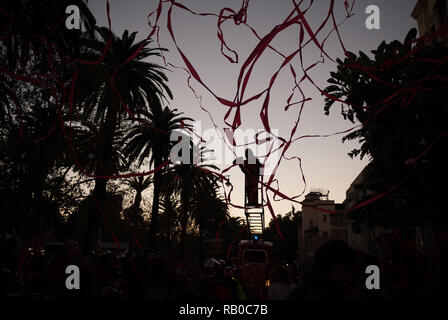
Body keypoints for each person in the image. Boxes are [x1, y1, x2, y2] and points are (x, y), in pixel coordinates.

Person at [288, 240, 357, 300]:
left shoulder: (297, 293)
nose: (352, 278)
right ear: (339, 271)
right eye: (352, 272)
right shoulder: (334, 295)